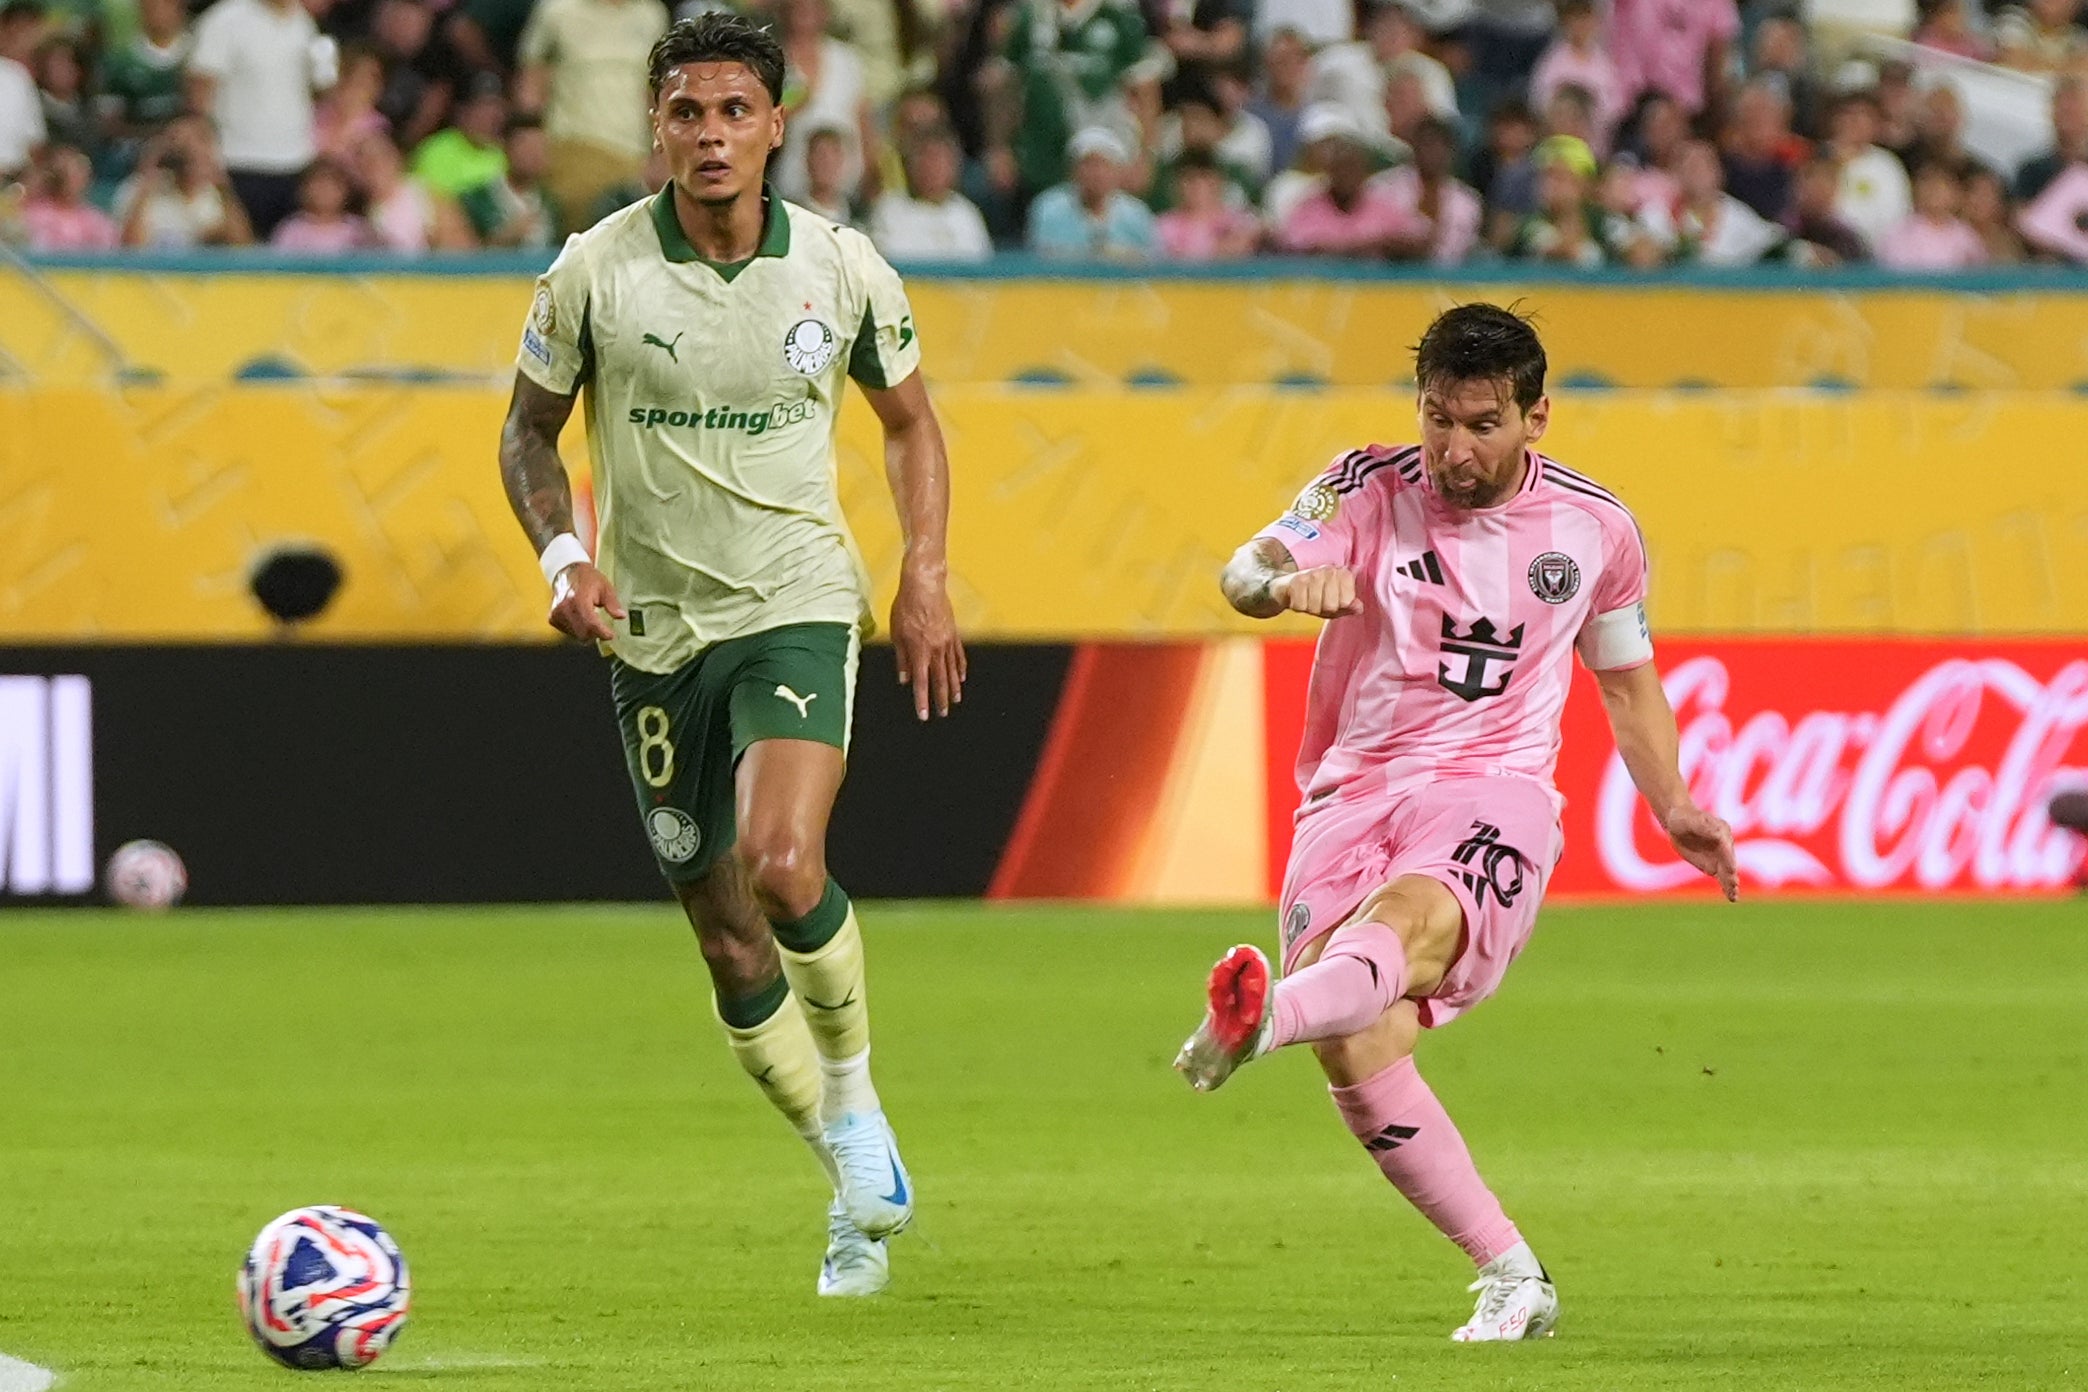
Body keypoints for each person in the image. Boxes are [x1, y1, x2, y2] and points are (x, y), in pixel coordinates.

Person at [496, 13, 964, 1300]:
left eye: (734, 113)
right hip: (651, 631)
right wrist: (564, 562)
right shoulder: (592, 271)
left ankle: (860, 1110)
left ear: (775, 125)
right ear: (657, 125)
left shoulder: (842, 265)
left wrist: (923, 572)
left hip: (798, 600)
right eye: (687, 113)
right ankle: (844, 1187)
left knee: (778, 860)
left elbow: (912, 424)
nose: (710, 136)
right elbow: (528, 437)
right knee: (725, 937)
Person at [1174, 302, 1738, 1343]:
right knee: (1360, 1046)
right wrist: (1283, 583)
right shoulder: (1363, 484)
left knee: (1408, 925)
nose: (1453, 448)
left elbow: (1625, 681)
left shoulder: (1595, 530)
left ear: (1536, 418)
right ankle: (1513, 1274)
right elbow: (1239, 572)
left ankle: (1259, 1025)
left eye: (1482, 424)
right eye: (1438, 419)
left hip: (1495, 789)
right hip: (1351, 792)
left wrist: (1676, 807)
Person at [187, 0, 339, 240]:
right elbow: (199, 92)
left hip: (295, 163)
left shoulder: (304, 23)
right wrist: (206, 155)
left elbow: (316, 89)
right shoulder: (226, 19)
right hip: (238, 162)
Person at [516, 0, 669, 233]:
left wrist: (660, 150)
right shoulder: (557, 11)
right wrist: (531, 134)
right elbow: (532, 80)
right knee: (577, 245)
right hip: (572, 149)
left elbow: (655, 89)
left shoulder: (651, 14)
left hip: (633, 156)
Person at [116, 114, 255, 247]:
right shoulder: (138, 189)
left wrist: (223, 188)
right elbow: (130, 248)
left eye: (200, 141)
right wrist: (148, 183)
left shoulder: (216, 195)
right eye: (181, 142)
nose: (191, 150)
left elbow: (241, 246)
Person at [1026, 125, 1159, 259]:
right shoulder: (1049, 209)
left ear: (1118, 172)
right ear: (1073, 171)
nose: (1097, 174)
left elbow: (1148, 261)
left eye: (1104, 166)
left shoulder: (1137, 214)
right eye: (1089, 164)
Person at [865, 124, 993, 260]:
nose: (932, 168)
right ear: (909, 165)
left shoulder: (967, 214)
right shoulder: (889, 210)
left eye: (940, 160)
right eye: (925, 159)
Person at [459, 114, 560, 248]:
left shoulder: (551, 204)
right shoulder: (476, 201)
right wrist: (504, 238)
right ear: (506, 148)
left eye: (539, 147)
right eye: (526, 147)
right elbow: (464, 254)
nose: (534, 155)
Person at [1878, 160, 1985, 271]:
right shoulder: (1900, 233)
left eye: (1942, 186)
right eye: (1929, 185)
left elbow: (1976, 272)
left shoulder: (1965, 235)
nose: (1934, 192)